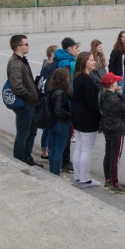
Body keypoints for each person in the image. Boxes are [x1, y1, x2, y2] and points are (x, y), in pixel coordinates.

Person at [6, 34, 41, 167]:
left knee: (31, 132)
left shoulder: (22, 61)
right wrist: (30, 96)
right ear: (18, 47)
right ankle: (19, 162)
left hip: (30, 103)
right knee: (23, 134)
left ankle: (27, 158)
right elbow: (17, 86)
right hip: (25, 104)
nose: (28, 46)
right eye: (26, 44)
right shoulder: (15, 63)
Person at [71, 52, 102, 189]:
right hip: (87, 119)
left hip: (77, 117)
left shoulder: (77, 78)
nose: (94, 62)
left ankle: (78, 176)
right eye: (91, 60)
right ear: (84, 62)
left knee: (79, 147)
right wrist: (99, 117)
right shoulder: (87, 80)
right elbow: (92, 103)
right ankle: (84, 179)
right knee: (86, 149)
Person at [100, 72, 125, 194]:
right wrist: (120, 96)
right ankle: (115, 183)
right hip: (116, 129)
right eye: (116, 81)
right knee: (115, 157)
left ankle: (108, 179)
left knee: (108, 154)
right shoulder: (114, 100)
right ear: (112, 84)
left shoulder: (103, 97)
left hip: (107, 128)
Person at [54, 37, 80, 172]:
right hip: (66, 101)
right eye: (75, 48)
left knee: (66, 133)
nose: (77, 51)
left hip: (65, 99)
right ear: (69, 48)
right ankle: (64, 162)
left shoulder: (63, 59)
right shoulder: (65, 62)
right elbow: (66, 83)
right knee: (66, 133)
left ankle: (63, 160)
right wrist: (73, 97)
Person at [46, 68, 72, 176]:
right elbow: (59, 111)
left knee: (52, 149)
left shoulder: (52, 90)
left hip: (52, 123)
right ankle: (56, 173)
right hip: (61, 124)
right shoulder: (60, 92)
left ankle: (52, 172)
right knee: (58, 151)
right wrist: (70, 115)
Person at [108, 30, 125, 126]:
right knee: (118, 97)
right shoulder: (116, 50)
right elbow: (111, 65)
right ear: (120, 38)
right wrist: (113, 78)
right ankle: (116, 117)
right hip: (120, 77)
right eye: (123, 37)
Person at [39, 45, 58, 160]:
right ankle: (45, 150)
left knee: (47, 128)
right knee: (47, 128)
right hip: (46, 98)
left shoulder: (48, 65)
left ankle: (45, 149)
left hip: (45, 97)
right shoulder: (48, 65)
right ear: (51, 53)